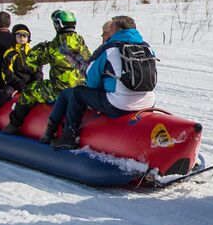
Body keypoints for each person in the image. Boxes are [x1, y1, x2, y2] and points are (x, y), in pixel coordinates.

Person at [47, 15, 157, 149]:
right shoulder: (147, 48)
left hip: (119, 105)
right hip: (148, 103)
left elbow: (91, 81)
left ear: (116, 30)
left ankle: (69, 136)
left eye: (109, 30)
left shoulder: (109, 49)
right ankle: (147, 131)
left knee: (78, 93)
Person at [5, 10, 90, 134]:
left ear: (58, 25)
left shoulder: (55, 45)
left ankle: (14, 125)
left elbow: (31, 60)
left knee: (29, 91)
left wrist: (40, 47)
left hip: (59, 90)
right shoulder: (80, 42)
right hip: (81, 89)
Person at [0, 23, 36, 127]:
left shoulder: (32, 53)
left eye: (25, 35)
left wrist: (37, 80)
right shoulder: (10, 53)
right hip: (14, 83)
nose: (22, 38)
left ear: (28, 37)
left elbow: (37, 70)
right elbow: (6, 71)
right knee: (5, 93)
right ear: (14, 37)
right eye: (19, 35)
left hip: (29, 83)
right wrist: (17, 82)